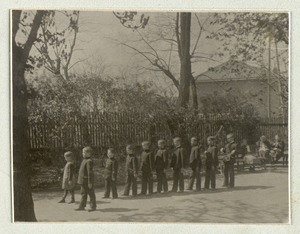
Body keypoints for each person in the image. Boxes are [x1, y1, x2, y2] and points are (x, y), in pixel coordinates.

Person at [75, 146, 97, 212]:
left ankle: (93, 207)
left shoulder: (89, 161)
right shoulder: (84, 160)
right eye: (83, 152)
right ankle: (82, 206)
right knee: (83, 193)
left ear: (89, 153)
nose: (82, 153)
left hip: (87, 181)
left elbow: (89, 172)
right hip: (83, 181)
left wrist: (90, 182)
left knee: (91, 194)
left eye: (84, 152)